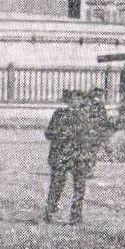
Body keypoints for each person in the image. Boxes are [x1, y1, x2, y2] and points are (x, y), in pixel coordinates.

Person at [45, 91, 96, 225]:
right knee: (57, 186)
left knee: (79, 187)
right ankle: (50, 212)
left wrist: (90, 158)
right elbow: (49, 133)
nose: (76, 102)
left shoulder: (84, 116)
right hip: (62, 155)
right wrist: (62, 135)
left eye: (78, 100)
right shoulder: (59, 114)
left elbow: (90, 138)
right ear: (68, 101)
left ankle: (76, 216)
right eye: (73, 100)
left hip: (78, 156)